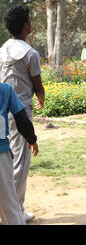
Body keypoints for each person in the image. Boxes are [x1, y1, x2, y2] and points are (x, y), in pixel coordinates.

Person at [0, 5, 45, 223]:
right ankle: (15, 210)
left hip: (2, 110)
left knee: (8, 160)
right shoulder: (30, 53)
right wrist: (41, 97)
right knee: (20, 161)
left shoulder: (2, 50)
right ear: (26, 26)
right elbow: (38, 85)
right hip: (21, 111)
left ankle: (12, 207)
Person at [0, 82, 38, 225]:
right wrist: (32, 139)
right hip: (1, 157)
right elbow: (21, 119)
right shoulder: (5, 90)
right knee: (9, 207)